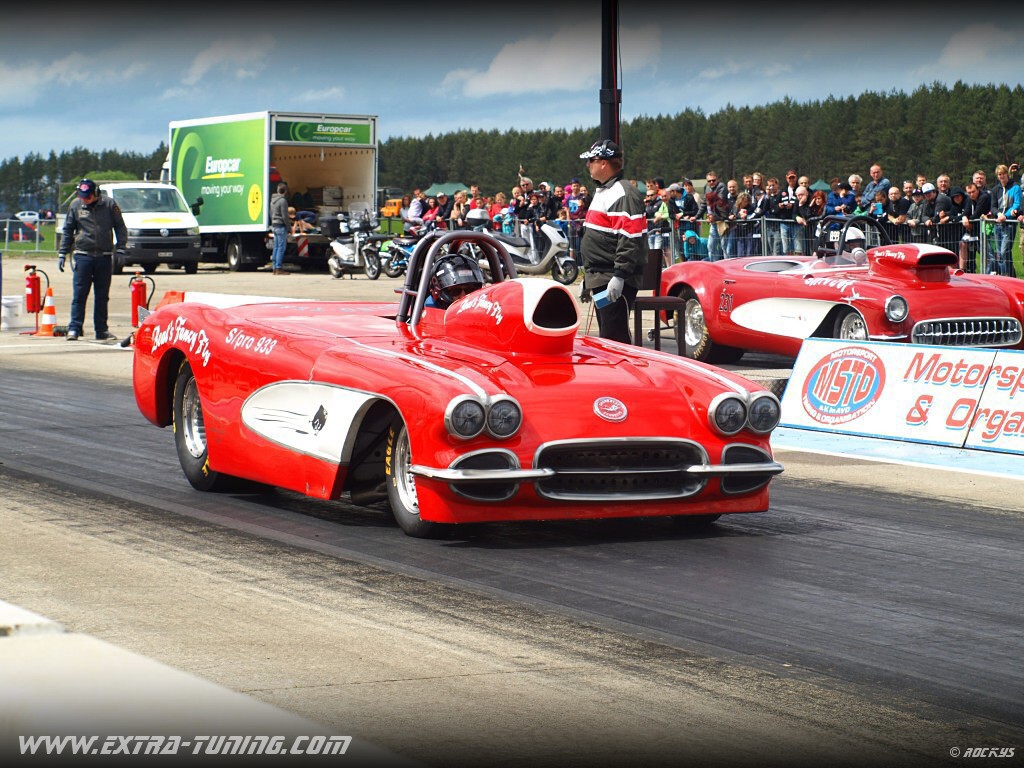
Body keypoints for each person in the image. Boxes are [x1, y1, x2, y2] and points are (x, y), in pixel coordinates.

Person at [578, 138, 647, 344]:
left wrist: (619, 275)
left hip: (612, 276)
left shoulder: (622, 193)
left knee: (615, 338)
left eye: (591, 160)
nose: (588, 164)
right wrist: (589, 278)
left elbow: (630, 238)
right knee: (607, 337)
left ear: (603, 163)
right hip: (601, 275)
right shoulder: (604, 191)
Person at [57, 178, 129, 340]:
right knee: (79, 295)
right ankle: (75, 328)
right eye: (82, 197)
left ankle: (101, 330)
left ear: (96, 193)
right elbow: (68, 230)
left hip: (104, 257)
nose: (85, 200)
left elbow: (120, 227)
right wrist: (62, 253)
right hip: (83, 256)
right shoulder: (75, 205)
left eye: (88, 197)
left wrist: (121, 249)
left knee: (102, 296)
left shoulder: (110, 205)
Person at [985, 164, 1021, 275]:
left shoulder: (1015, 187)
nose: (1002, 176)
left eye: (1003, 174)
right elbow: (993, 207)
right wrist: (998, 214)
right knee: (1000, 254)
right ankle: (1009, 276)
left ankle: (1008, 275)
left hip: (1009, 224)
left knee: (1005, 251)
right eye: (999, 174)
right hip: (998, 224)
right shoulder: (995, 190)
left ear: (1007, 174)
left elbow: (1017, 204)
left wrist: (1006, 215)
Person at [268, 182, 290, 275]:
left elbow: (271, 213)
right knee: (281, 248)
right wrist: (289, 227)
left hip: (275, 225)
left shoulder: (272, 200)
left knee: (276, 247)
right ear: (285, 191)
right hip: (281, 225)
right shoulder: (282, 201)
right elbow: (285, 216)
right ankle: (278, 268)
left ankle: (274, 267)